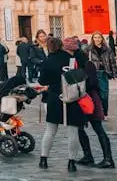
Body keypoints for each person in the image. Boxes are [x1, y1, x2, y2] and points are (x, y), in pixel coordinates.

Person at [37, 37, 87, 172]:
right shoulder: (70, 59)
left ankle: (43, 159)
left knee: (50, 130)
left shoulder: (47, 61)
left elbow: (42, 81)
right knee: (73, 131)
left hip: (54, 97)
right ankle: (71, 162)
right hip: (71, 97)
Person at [76, 48, 115, 169]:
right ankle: (89, 156)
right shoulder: (87, 65)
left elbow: (92, 83)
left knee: (97, 128)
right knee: (81, 128)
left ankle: (107, 159)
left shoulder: (87, 66)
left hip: (89, 100)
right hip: (88, 99)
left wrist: (80, 84)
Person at [87, 32, 114, 115]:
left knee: (104, 94)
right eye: (95, 37)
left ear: (102, 39)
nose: (97, 39)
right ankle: (95, 112)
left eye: (99, 37)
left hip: (103, 73)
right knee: (94, 94)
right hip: (93, 74)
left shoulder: (107, 49)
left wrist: (114, 73)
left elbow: (112, 62)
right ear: (92, 39)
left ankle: (104, 112)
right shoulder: (88, 49)